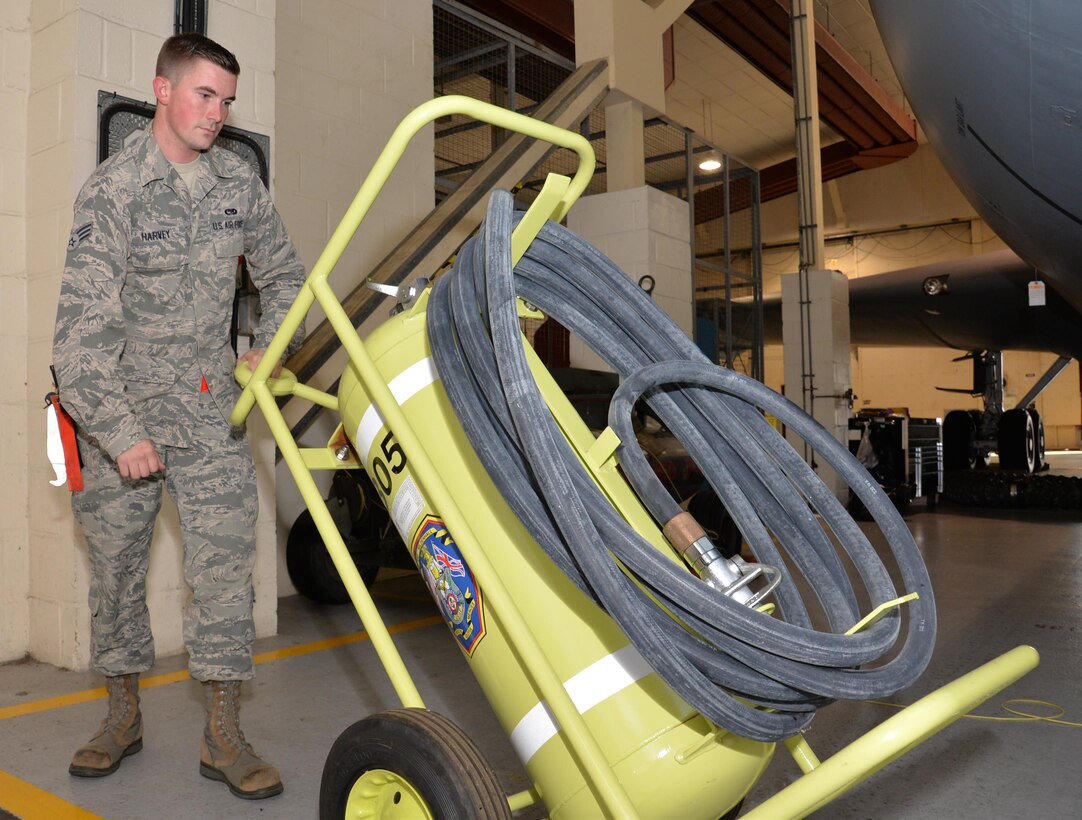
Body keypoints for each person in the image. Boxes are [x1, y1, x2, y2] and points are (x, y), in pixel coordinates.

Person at [52, 32, 305, 801]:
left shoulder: (238, 184)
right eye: (204, 95)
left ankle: (223, 734)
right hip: (119, 419)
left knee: (225, 572)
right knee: (118, 576)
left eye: (227, 100)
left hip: (208, 414)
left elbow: (287, 277)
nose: (218, 113)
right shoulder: (113, 188)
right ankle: (121, 717)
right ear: (162, 90)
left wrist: (267, 347)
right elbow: (78, 335)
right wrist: (120, 432)